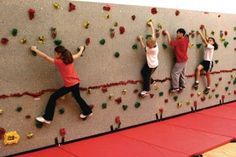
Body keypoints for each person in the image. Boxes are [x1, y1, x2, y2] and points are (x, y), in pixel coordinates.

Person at [31, 45, 93, 124]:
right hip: (76, 83)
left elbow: (45, 57)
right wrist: (81, 49)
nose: (55, 55)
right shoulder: (70, 58)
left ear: (59, 54)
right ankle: (88, 111)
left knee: (53, 97)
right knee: (78, 98)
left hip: (69, 85)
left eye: (55, 53)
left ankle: (48, 118)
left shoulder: (59, 62)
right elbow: (78, 55)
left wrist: (35, 50)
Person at [193, 27, 218, 94]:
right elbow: (206, 38)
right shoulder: (209, 44)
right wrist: (205, 29)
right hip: (204, 61)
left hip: (209, 62)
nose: (209, 40)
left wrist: (200, 33)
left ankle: (208, 87)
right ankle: (197, 82)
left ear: (213, 42)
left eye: (210, 40)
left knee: (207, 75)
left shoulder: (211, 47)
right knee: (198, 69)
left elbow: (204, 40)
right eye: (209, 40)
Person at [138, 21, 159, 97]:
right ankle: (152, 81)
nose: (147, 46)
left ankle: (146, 90)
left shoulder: (151, 50)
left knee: (146, 76)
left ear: (150, 46)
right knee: (143, 72)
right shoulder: (155, 44)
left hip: (151, 65)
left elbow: (144, 47)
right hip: (152, 63)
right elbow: (153, 34)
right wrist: (151, 25)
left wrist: (140, 39)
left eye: (148, 46)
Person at [164, 28, 189, 93]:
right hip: (185, 59)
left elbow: (170, 43)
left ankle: (175, 87)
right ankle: (182, 85)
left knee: (175, 73)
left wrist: (167, 34)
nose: (177, 34)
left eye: (178, 33)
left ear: (181, 34)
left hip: (180, 60)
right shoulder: (186, 40)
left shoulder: (178, 41)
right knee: (182, 73)